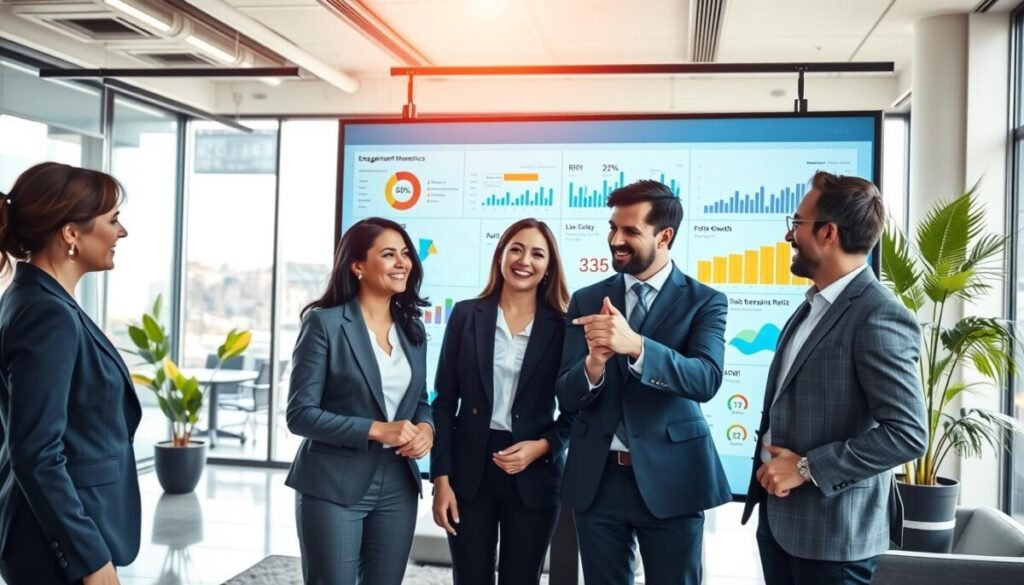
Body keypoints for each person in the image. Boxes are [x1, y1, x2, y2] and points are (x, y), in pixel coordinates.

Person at [740, 171, 928, 585]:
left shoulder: (879, 315)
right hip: (781, 523)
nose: (789, 235)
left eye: (797, 223)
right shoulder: (814, 305)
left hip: (833, 538)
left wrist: (807, 467)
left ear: (828, 232)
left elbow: (908, 434)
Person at [555, 180, 732, 585]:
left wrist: (636, 346)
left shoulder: (705, 301)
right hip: (597, 481)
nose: (616, 239)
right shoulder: (585, 299)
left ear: (664, 236)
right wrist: (593, 365)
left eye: (630, 231)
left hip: (674, 479)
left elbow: (705, 379)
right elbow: (565, 393)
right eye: (613, 227)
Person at [0, 162, 138, 585]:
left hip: (60, 531)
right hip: (60, 547)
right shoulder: (46, 313)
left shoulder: (35, 298)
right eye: (113, 220)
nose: (122, 232)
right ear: (71, 233)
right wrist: (90, 560)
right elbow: (36, 450)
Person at [285, 217, 434, 585]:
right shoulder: (325, 324)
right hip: (333, 481)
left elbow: (420, 401)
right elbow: (300, 415)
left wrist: (427, 429)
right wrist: (376, 429)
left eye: (405, 254)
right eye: (388, 254)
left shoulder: (413, 331)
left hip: (398, 483)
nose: (402, 263)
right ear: (357, 266)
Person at [431, 218, 573, 585]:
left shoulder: (563, 326)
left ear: (548, 268)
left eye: (537, 254)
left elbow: (578, 408)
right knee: (470, 578)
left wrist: (543, 447)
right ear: (500, 256)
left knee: (521, 579)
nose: (524, 260)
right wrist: (441, 480)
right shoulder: (466, 314)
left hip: (535, 470)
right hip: (469, 470)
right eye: (516, 249)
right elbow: (444, 403)